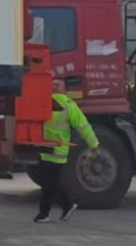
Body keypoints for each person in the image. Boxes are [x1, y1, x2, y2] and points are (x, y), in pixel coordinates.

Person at [32, 78, 100, 223]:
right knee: (50, 182)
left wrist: (93, 144)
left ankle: (45, 213)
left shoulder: (45, 102)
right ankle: (66, 205)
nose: (55, 86)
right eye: (54, 83)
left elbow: (83, 126)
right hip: (53, 150)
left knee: (49, 183)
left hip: (51, 150)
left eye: (57, 84)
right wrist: (93, 145)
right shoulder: (67, 105)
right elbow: (83, 125)